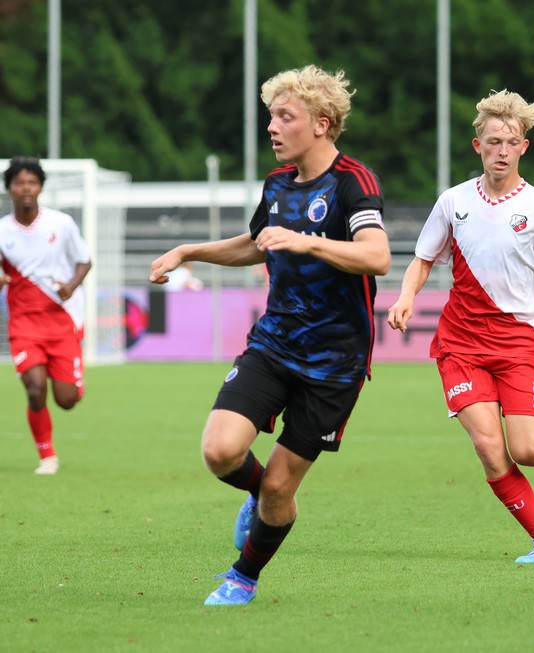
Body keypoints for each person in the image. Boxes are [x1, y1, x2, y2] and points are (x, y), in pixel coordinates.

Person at [149, 65, 390, 605]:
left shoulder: (353, 182)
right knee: (219, 451)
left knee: (284, 486)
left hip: (335, 364)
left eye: (286, 117)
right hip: (274, 344)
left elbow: (376, 256)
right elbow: (258, 244)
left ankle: (243, 577)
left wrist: (310, 243)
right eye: (271, 117)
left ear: (322, 124)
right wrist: (190, 252)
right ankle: (259, 496)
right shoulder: (278, 184)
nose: (273, 128)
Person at [386, 89, 534, 564]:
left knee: (531, 451)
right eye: (494, 140)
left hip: (518, 343)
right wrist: (406, 296)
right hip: (459, 343)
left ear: (525, 148)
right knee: (488, 445)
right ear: (476, 144)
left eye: (512, 141)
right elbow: (423, 258)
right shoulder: (454, 202)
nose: (502, 150)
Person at [0, 157, 92, 475]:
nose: (25, 188)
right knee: (35, 388)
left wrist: (71, 284)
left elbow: (84, 261)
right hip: (24, 322)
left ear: (40, 187)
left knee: (67, 399)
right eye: (19, 183)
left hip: (61, 319)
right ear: (9, 188)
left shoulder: (61, 223)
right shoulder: (2, 231)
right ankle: (47, 456)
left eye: (31, 182)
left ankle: (70, 374)